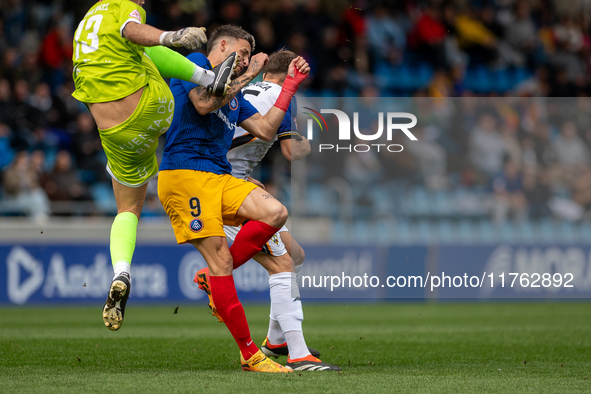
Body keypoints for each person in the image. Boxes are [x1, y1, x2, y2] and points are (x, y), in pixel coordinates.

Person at [71, 0, 241, 331]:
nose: (143, 2)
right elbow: (132, 30)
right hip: (153, 108)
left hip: (116, 134)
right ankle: (208, 77)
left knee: (126, 209)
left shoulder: (82, 28)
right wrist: (171, 36)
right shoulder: (119, 7)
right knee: (143, 51)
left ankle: (121, 270)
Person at [157, 25, 309, 372]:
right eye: (239, 54)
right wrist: (251, 73)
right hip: (185, 174)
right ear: (221, 44)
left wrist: (289, 88)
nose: (243, 62)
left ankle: (214, 281)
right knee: (223, 262)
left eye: (246, 58)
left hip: (219, 177)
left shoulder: (238, 96)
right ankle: (251, 354)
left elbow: (267, 130)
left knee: (275, 211)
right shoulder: (195, 63)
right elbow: (203, 102)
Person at [223, 49, 340, 371]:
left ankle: (276, 340)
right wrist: (309, 143)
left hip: (228, 181)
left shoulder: (247, 89)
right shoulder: (283, 96)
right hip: (227, 192)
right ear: (291, 73)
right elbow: (291, 151)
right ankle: (299, 353)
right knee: (283, 263)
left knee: (295, 255)